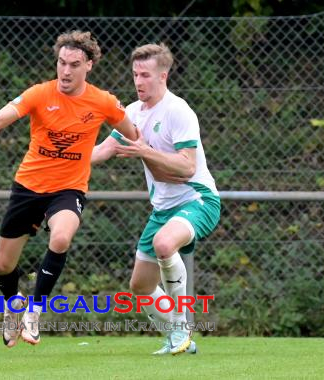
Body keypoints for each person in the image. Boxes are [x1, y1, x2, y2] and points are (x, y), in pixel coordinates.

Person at [0, 30, 137, 347]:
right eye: (62, 63)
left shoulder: (103, 102)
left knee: (62, 236)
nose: (65, 71)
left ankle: (34, 312)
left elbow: (132, 131)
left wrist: (127, 148)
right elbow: (11, 110)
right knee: (2, 266)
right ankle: (12, 307)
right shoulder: (41, 93)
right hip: (28, 186)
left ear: (88, 65)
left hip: (69, 188)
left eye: (74, 64)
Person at [92, 43, 220, 355]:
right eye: (135, 74)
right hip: (162, 210)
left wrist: (144, 150)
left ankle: (179, 329)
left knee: (164, 244)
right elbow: (104, 149)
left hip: (198, 200)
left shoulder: (178, 111)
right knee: (140, 287)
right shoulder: (132, 113)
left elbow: (187, 166)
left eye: (145, 75)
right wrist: (66, 159)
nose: (138, 81)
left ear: (162, 76)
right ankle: (181, 338)